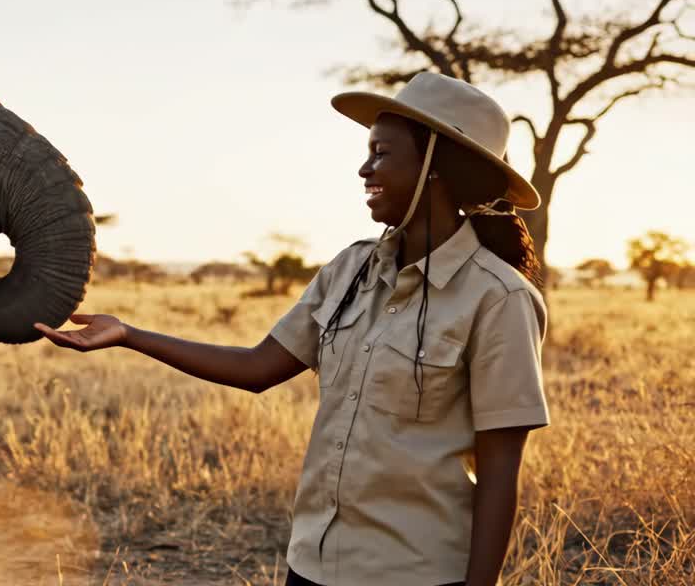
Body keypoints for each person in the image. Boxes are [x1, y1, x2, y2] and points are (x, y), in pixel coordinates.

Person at [36, 72, 550, 586]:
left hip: (416, 572)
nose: (363, 168)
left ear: (434, 168)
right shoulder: (350, 271)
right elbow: (257, 367)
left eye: (382, 153)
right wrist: (128, 334)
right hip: (313, 564)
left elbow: (500, 472)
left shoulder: (499, 298)